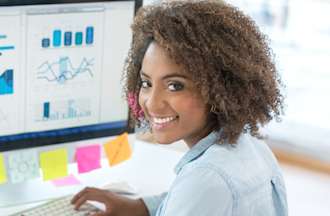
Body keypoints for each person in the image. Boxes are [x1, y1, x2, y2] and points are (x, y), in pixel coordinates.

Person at [71, 0, 288, 215]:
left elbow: (201, 192)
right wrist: (140, 207)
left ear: (221, 89)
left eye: (175, 86)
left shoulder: (205, 178)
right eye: (146, 83)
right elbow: (195, 201)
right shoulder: (255, 150)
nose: (153, 102)